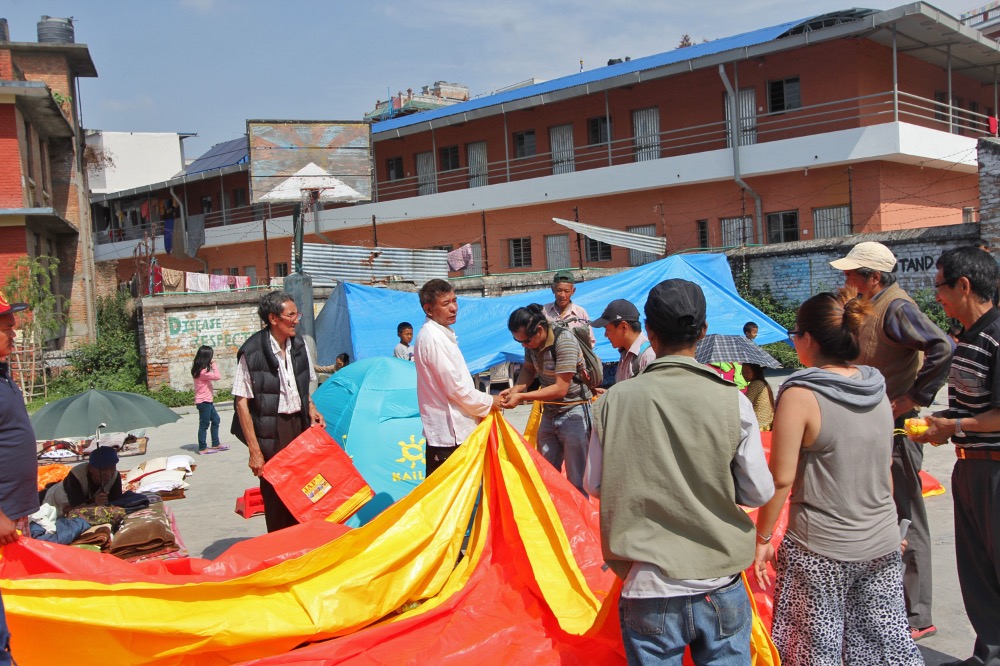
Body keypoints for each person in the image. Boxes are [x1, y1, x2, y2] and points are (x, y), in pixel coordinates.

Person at [584, 279, 774, 665]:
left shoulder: (613, 401)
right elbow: (757, 492)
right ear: (702, 332)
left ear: (649, 332)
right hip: (719, 582)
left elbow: (595, 483)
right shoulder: (731, 400)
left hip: (648, 588)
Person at [752, 289, 921, 665]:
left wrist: (762, 539)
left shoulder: (800, 393)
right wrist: (892, 527)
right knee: (882, 652)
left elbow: (781, 479)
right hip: (881, 542)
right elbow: (882, 467)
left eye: (795, 333)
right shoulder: (877, 387)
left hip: (820, 552)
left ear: (808, 338)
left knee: (813, 654)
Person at [830, 240, 952, 640]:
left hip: (899, 428)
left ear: (874, 277)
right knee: (887, 512)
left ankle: (918, 614)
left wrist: (914, 396)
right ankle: (898, 606)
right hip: (880, 423)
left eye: (852, 272)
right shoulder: (874, 304)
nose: (846, 278)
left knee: (907, 513)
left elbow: (942, 347)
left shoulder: (897, 307)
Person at [914, 246, 1000, 666]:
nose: (938, 297)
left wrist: (957, 427)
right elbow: (973, 407)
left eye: (940, 286)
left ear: (963, 286)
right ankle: (989, 654)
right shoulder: (967, 339)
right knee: (977, 572)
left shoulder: (998, 335)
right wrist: (947, 422)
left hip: (995, 473)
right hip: (970, 468)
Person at [232, 291, 325, 533]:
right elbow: (241, 403)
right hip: (271, 430)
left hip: (299, 426)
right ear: (274, 319)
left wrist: (311, 408)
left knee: (306, 487)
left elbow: (303, 385)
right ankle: (282, 548)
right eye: (291, 315)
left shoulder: (299, 344)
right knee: (276, 494)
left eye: (297, 314)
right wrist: (255, 450)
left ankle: (305, 543)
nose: (297, 320)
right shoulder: (251, 352)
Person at [502, 304, 594, 494]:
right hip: (550, 412)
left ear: (540, 330)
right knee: (546, 476)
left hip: (574, 411)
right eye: (518, 341)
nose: (524, 346)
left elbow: (561, 388)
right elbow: (528, 369)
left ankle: (580, 520)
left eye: (526, 341)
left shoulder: (564, 341)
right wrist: (516, 388)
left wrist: (521, 396)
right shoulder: (530, 343)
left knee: (577, 480)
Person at [413, 279, 500, 477]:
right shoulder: (433, 339)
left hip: (457, 431)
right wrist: (491, 400)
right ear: (428, 309)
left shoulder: (443, 334)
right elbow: (455, 389)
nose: (453, 308)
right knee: (450, 500)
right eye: (446, 304)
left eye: (454, 301)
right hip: (449, 435)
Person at [0, 294, 38, 666]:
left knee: (17, 606)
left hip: (13, 516)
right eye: (6, 327)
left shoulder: (3, 372)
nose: (15, 332)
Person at [44, 447, 125, 514]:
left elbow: (116, 503)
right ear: (90, 468)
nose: (108, 474)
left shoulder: (115, 476)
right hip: (54, 502)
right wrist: (95, 504)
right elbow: (74, 510)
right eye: (103, 469)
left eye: (112, 468)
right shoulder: (76, 475)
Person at [592, 299, 655, 383]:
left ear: (624, 327)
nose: (605, 335)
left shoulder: (648, 356)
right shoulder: (625, 353)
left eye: (607, 329)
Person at [543, 269, 595, 346]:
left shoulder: (580, 313)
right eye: (559, 290)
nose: (562, 295)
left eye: (566, 291)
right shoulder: (544, 311)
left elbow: (591, 341)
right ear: (553, 289)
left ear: (573, 291)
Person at [191, 345, 226, 454]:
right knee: (204, 424)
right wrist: (214, 365)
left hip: (208, 401)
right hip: (203, 402)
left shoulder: (201, 370)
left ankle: (215, 443)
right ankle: (202, 448)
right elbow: (217, 376)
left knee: (216, 420)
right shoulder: (202, 372)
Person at [742, 363, 775, 430]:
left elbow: (744, 403)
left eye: (747, 371)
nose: (744, 374)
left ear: (755, 371)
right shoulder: (763, 383)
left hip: (759, 425)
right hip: (767, 424)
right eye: (743, 371)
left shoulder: (756, 384)